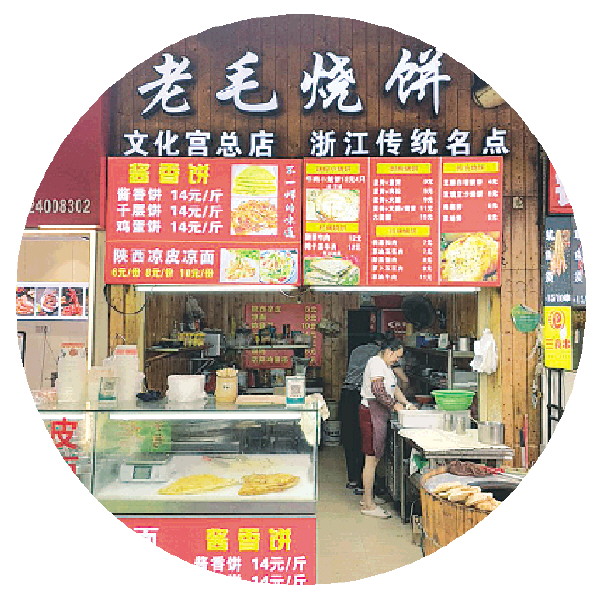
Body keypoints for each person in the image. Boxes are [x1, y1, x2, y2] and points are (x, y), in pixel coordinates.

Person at [359, 338, 416, 518]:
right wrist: (395, 406)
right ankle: (368, 505)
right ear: (389, 351)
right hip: (371, 413)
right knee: (371, 459)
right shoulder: (376, 363)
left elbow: (394, 388)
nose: (397, 360)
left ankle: (367, 497)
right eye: (396, 356)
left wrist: (406, 403)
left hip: (379, 413)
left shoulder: (385, 365)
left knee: (375, 457)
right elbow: (378, 390)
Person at [339, 333, 385, 491]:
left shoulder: (356, 350)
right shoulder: (377, 353)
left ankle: (353, 479)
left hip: (347, 395)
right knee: (363, 438)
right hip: (359, 396)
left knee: (350, 438)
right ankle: (365, 481)